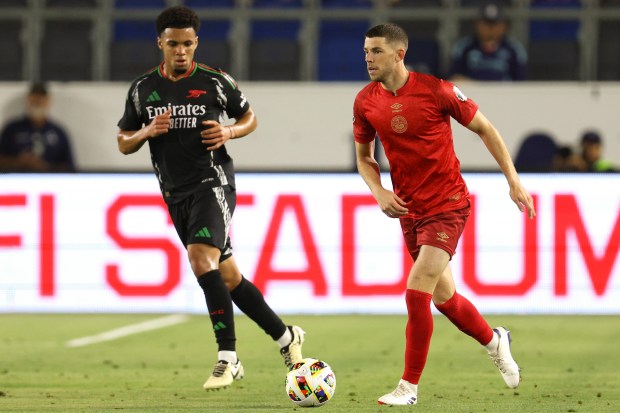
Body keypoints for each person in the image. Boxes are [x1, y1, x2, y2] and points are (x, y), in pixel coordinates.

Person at [115, 5, 304, 391]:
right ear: (160, 44)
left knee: (201, 259)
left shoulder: (216, 81)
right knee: (229, 277)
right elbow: (123, 142)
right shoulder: (141, 89)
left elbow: (250, 117)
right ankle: (287, 338)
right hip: (174, 192)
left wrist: (230, 133)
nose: (181, 51)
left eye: (187, 44)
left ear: (196, 42)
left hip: (213, 183)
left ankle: (228, 358)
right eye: (173, 44)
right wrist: (147, 131)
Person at [353, 23, 536, 406]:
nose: (368, 58)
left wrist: (513, 180)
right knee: (444, 298)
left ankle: (408, 387)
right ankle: (494, 340)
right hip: (408, 209)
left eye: (376, 51)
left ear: (399, 54)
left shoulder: (438, 90)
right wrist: (379, 190)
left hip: (448, 204)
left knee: (416, 290)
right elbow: (365, 158)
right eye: (367, 51)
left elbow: (485, 129)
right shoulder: (365, 101)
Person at [0, 82, 75, 172]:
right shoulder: (12, 129)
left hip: (50, 182)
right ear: (28, 100)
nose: (38, 102)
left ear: (48, 101)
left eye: (41, 99)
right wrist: (19, 162)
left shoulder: (58, 132)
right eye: (34, 98)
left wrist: (45, 167)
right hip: (18, 181)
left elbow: (69, 166)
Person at [449, 2, 527, 81]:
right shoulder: (464, 47)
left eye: (495, 24)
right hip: (471, 92)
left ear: (504, 26)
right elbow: (454, 78)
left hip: (504, 92)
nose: (491, 29)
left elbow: (521, 82)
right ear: (477, 24)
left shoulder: (514, 49)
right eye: (486, 24)